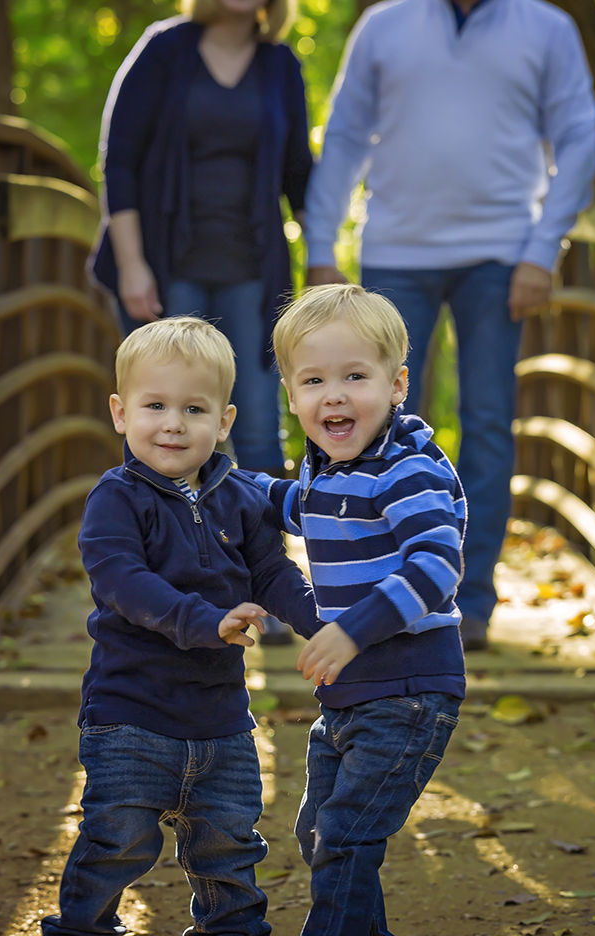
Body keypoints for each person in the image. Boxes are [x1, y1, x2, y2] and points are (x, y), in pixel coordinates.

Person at [302, 0, 595, 651]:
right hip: (396, 253)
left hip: (501, 257)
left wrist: (542, 247)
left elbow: (579, 139)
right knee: (377, 429)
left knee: (489, 425)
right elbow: (342, 138)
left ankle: (468, 602)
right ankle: (378, 595)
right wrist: (318, 247)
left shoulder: (547, 28)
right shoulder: (384, 25)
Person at [40, 317, 324, 936]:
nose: (173, 422)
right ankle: (84, 928)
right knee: (117, 840)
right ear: (120, 413)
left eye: (194, 408)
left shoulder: (241, 497)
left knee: (229, 847)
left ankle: (232, 929)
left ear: (223, 422)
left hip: (220, 718)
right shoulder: (115, 498)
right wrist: (205, 620)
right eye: (155, 405)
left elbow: (272, 572)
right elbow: (123, 583)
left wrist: (323, 624)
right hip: (131, 713)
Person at [252, 285, 466, 936]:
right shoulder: (327, 470)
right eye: (313, 380)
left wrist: (352, 629)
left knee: (345, 835)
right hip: (349, 698)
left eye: (354, 376)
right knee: (322, 834)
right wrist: (226, 483)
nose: (334, 394)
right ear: (292, 397)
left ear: (397, 385)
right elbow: (294, 506)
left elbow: (436, 564)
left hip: (409, 691)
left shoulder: (407, 470)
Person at [90, 0, 310, 478]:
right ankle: (158, 558)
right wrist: (133, 264)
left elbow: (299, 174)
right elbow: (119, 162)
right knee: (165, 426)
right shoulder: (163, 48)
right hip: (166, 269)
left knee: (257, 421)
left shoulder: (280, 66)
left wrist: (326, 264)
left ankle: (263, 561)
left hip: (252, 272)